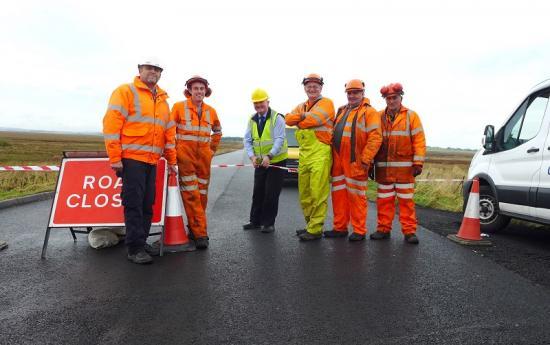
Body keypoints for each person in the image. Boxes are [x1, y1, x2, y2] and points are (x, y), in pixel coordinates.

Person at [103, 58, 177, 264]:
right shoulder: (125, 92)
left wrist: (172, 161)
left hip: (152, 161)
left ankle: (141, 241)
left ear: (161, 73)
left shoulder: (162, 101)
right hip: (131, 160)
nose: (153, 72)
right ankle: (134, 248)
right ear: (140, 70)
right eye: (149, 68)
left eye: (157, 69)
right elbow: (111, 125)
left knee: (147, 204)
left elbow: (168, 135)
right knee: (133, 204)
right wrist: (115, 157)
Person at [325, 79, 382, 241]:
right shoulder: (342, 110)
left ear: (363, 93)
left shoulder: (369, 112)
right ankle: (340, 227)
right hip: (338, 162)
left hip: (356, 162)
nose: (352, 95)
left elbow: (375, 137)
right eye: (349, 93)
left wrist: (365, 159)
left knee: (357, 197)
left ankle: (359, 230)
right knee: (339, 196)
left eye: (355, 92)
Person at [371, 82, 426, 244]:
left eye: (394, 97)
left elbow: (419, 141)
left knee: (406, 202)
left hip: (405, 171)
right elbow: (372, 140)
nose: (391, 101)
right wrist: (370, 164)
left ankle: (409, 232)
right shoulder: (378, 116)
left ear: (400, 97)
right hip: (384, 170)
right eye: (388, 98)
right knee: (384, 201)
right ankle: (383, 229)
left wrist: (418, 162)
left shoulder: (411, 116)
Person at [171, 76, 222, 249]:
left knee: (202, 196)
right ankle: (201, 234)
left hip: (204, 160)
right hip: (185, 158)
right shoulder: (178, 107)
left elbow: (217, 131)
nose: (199, 91)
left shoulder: (211, 111)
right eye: (195, 88)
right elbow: (169, 132)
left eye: (201, 88)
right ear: (189, 90)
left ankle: (194, 228)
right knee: (191, 195)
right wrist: (174, 154)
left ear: (206, 91)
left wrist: (211, 150)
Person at [286, 74, 335, 241]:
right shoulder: (302, 106)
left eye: (315, 86)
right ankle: (310, 225)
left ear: (321, 88)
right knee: (304, 193)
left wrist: (299, 119)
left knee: (318, 192)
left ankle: (315, 229)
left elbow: (314, 119)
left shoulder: (327, 103)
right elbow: (288, 119)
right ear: (305, 88)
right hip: (305, 154)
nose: (312, 89)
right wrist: (302, 117)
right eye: (309, 86)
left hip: (320, 152)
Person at [242, 88, 288, 233]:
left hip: (276, 161)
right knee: (258, 192)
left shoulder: (277, 118)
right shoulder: (252, 119)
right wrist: (252, 157)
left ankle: (268, 223)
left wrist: (270, 156)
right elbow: (247, 140)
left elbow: (280, 139)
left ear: (268, 102)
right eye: (256, 104)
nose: (259, 107)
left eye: (261, 103)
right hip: (260, 162)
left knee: (271, 193)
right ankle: (255, 221)